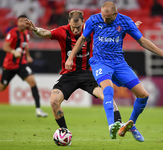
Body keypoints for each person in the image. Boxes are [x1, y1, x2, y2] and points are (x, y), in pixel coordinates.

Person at [65, 2, 163, 141]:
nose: (104, 19)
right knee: (108, 90)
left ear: (115, 14)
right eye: (103, 16)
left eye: (108, 18)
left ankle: (131, 125)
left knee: (143, 95)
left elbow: (143, 41)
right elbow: (82, 39)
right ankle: (112, 125)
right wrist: (70, 58)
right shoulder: (94, 20)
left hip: (119, 64)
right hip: (100, 62)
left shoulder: (125, 21)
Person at [25, 10, 142, 141]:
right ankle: (64, 130)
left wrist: (128, 28)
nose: (75, 30)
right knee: (53, 101)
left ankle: (118, 122)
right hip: (69, 75)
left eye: (78, 27)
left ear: (83, 23)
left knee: (107, 94)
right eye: (73, 27)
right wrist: (35, 29)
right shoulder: (62, 31)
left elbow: (112, 32)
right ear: (68, 22)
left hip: (89, 73)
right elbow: (46, 32)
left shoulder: (91, 29)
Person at [0, 15, 48, 117]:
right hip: (9, 66)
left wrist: (28, 56)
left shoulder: (27, 33)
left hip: (22, 64)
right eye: (20, 21)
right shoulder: (12, 33)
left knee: (33, 82)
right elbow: (5, 47)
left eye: (24, 21)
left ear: (27, 23)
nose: (22, 23)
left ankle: (38, 110)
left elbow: (25, 46)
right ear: (17, 23)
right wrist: (13, 52)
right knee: (1, 87)